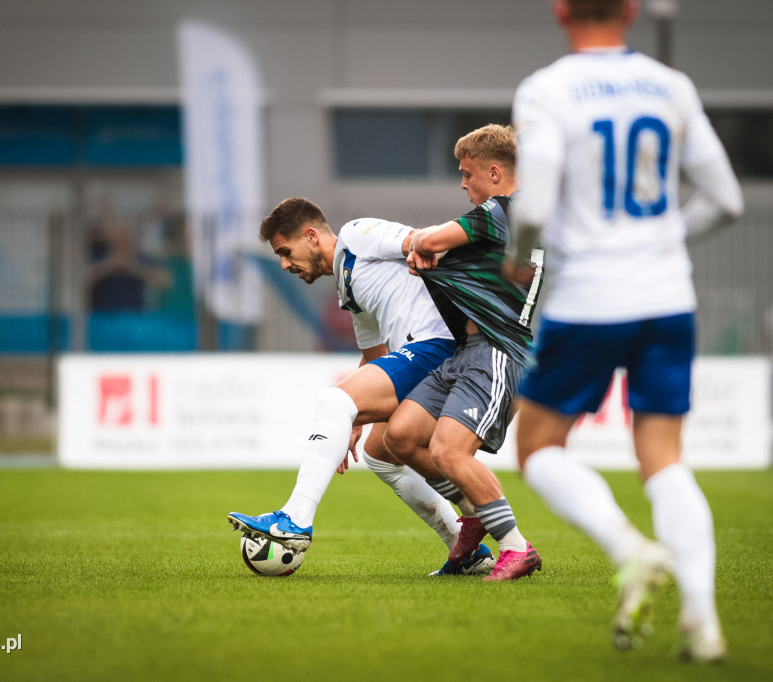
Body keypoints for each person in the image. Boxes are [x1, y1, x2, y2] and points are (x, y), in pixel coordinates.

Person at [506, 0, 743, 661]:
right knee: (664, 457)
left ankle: (628, 549)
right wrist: (664, 236)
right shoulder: (673, 86)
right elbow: (727, 200)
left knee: (540, 447)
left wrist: (521, 252)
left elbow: (533, 202)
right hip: (669, 295)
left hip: (590, 298)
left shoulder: (548, 89)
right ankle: (703, 623)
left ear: (560, 11)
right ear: (633, 11)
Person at [228, 198, 496, 576]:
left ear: (310, 236)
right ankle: (466, 551)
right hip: (420, 353)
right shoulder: (347, 287)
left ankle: (295, 519)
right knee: (379, 452)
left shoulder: (356, 235)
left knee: (333, 400)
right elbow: (373, 356)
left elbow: (419, 241)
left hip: (438, 346)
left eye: (286, 252)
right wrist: (352, 422)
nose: (285, 265)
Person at [383, 124, 545, 581]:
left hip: (495, 350)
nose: (462, 183)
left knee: (451, 452)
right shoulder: (511, 220)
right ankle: (475, 515)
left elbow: (429, 242)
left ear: (494, 173)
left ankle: (516, 547)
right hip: (464, 351)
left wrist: (422, 248)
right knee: (402, 436)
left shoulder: (502, 211)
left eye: (467, 172)